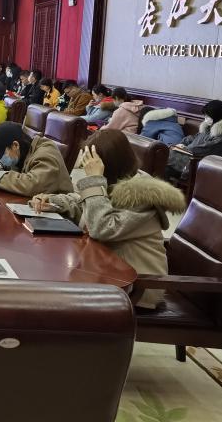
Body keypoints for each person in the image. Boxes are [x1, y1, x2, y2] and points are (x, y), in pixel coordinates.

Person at [31, 129, 183, 309]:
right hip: (106, 274)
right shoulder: (115, 182)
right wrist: (53, 201)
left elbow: (101, 227)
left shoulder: (143, 197)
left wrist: (94, 179)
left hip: (137, 289)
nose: (85, 167)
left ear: (107, 165)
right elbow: (84, 203)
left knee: (50, 301)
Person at [0, 122, 73, 197]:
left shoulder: (45, 153)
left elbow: (32, 185)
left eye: (3, 154)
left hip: (57, 211)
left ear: (15, 145)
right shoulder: (24, 153)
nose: (1, 160)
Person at [166, 100, 222, 181]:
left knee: (164, 165)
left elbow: (207, 149)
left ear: (216, 115)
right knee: (162, 160)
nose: (205, 119)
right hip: (191, 159)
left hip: (202, 165)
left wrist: (185, 149)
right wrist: (181, 144)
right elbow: (194, 138)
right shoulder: (209, 128)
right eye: (205, 116)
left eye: (207, 116)